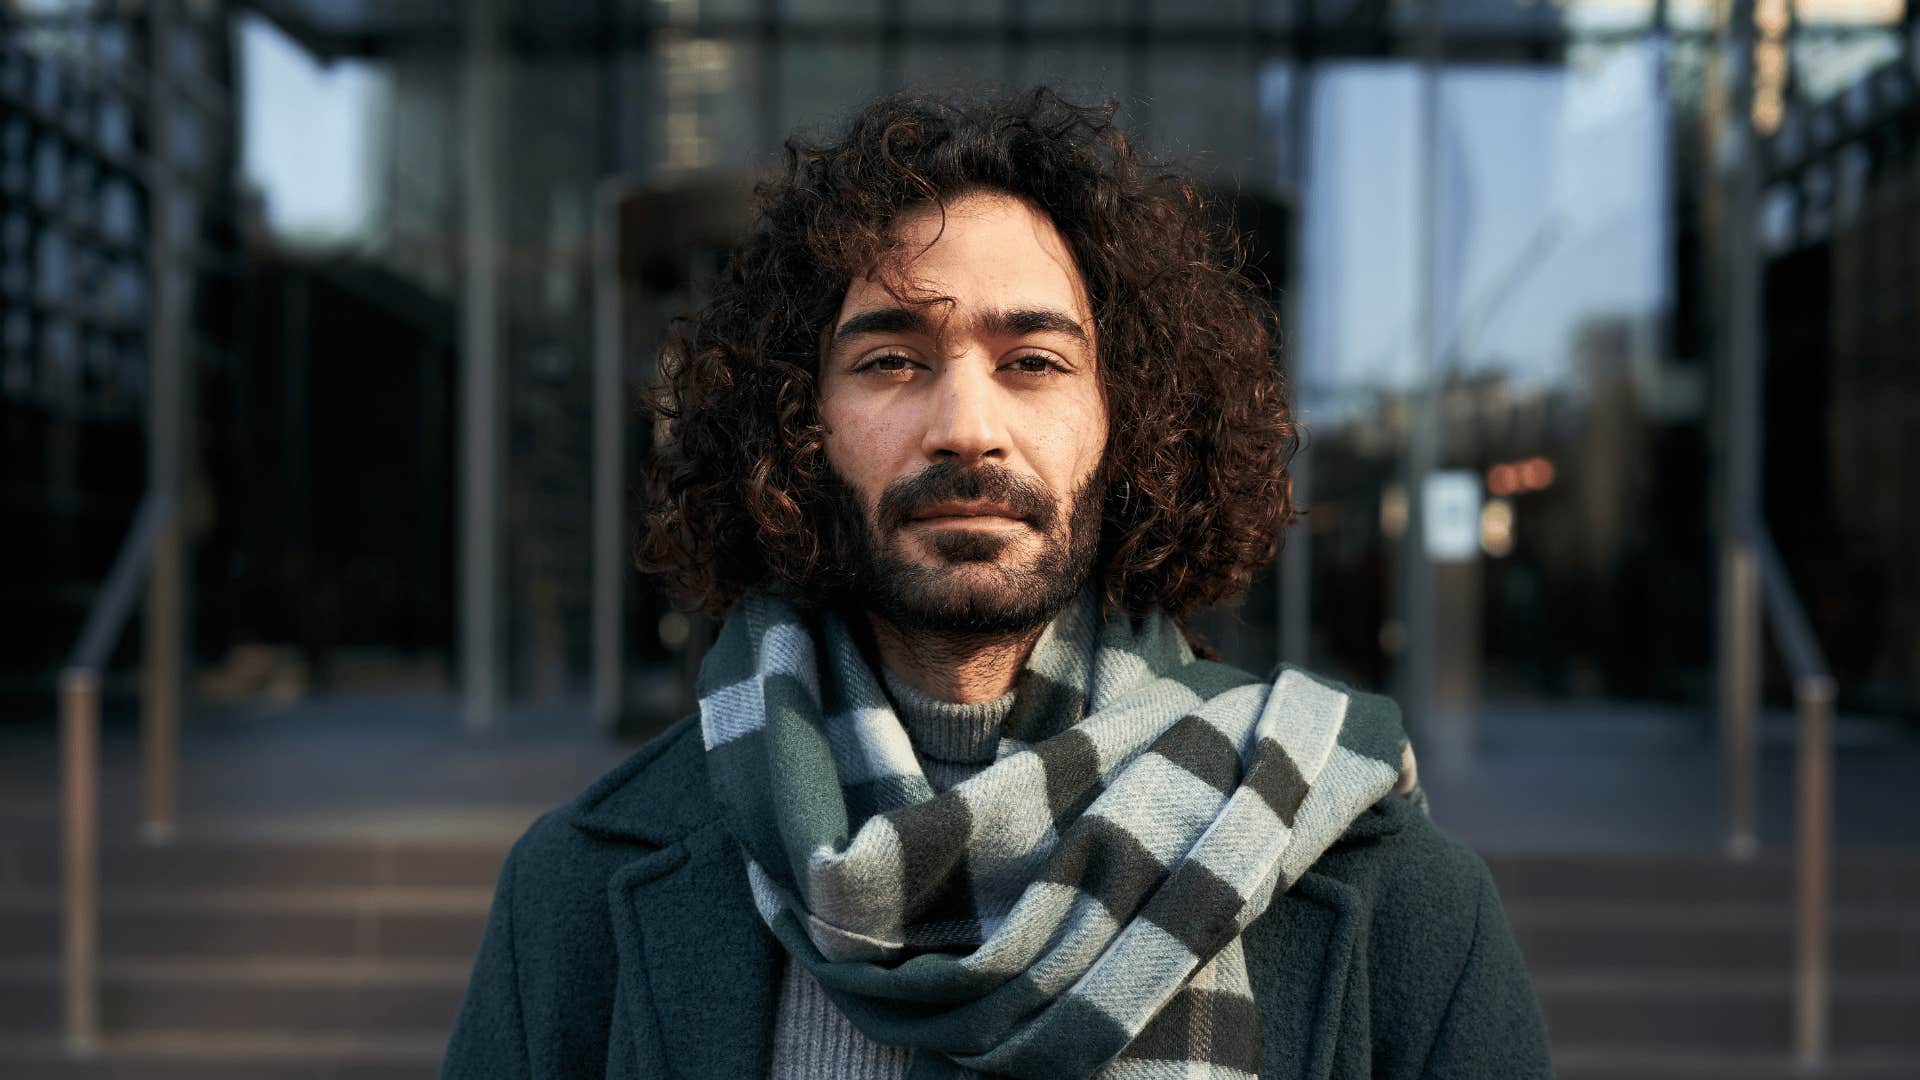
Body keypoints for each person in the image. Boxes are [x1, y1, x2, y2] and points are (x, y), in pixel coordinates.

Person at [441, 88, 1554, 1080]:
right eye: (890, 361)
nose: (967, 428)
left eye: (1034, 362)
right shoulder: (574, 895)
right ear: (799, 427)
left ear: (1130, 422)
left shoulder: (1398, 896)